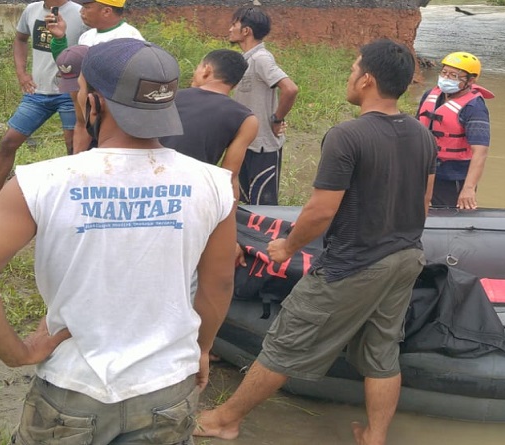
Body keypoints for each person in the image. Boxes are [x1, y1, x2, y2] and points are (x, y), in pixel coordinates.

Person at [0, 38, 236, 443]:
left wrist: (17, 353)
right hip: (167, 388)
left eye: (81, 89)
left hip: (72, 388)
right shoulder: (214, 183)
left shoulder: (41, 182)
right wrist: (202, 349)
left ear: (94, 104)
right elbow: (218, 283)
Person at [195, 38, 437, 445]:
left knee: (287, 339)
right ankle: (375, 435)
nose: (350, 75)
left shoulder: (348, 135)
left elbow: (321, 210)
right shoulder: (422, 134)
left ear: (367, 80)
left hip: (352, 264)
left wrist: (287, 247)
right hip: (406, 257)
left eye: (353, 68)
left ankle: (225, 420)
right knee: (382, 351)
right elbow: (424, 204)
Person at [0, 0, 85, 215]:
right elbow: (20, 39)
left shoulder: (81, 13)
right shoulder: (32, 10)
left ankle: (74, 203)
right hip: (37, 92)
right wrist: (21, 73)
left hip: (70, 92)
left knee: (73, 148)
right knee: (8, 142)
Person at [46, 0, 144, 153]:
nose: (81, 11)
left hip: (113, 117)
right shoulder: (87, 36)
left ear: (106, 11)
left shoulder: (129, 39)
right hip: (89, 110)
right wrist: (59, 39)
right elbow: (70, 67)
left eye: (87, 7)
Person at [160, 49, 258, 200]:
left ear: (206, 70)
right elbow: (229, 177)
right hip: (193, 194)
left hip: (148, 185)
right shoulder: (246, 119)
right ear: (235, 85)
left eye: (198, 67)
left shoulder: (168, 98)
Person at [228, 6, 299, 205]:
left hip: (262, 148)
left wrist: (277, 119)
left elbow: (290, 89)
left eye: (234, 24)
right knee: (245, 202)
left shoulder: (261, 58)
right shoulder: (247, 60)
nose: (230, 29)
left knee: (264, 207)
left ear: (246, 31)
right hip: (247, 143)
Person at [417, 51, 493, 209]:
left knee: (449, 215)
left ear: (470, 80)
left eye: (454, 76)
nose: (446, 78)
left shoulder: (474, 107)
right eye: (444, 73)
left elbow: (480, 151)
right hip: (425, 170)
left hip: (453, 177)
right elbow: (416, 130)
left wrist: (469, 188)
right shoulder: (430, 95)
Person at [55, 44, 94, 151]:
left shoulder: (113, 90)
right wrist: (76, 158)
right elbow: (82, 124)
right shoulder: (76, 93)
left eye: (78, 82)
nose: (76, 89)